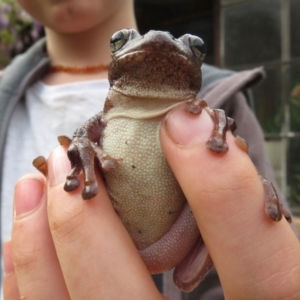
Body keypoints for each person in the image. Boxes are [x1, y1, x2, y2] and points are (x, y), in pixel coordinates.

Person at [0, 0, 299, 299]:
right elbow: (86, 133)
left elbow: (268, 243)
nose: (157, 42)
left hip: (177, 246)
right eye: (120, 42)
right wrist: (84, 148)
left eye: (195, 47)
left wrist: (249, 187)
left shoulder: (220, 106)